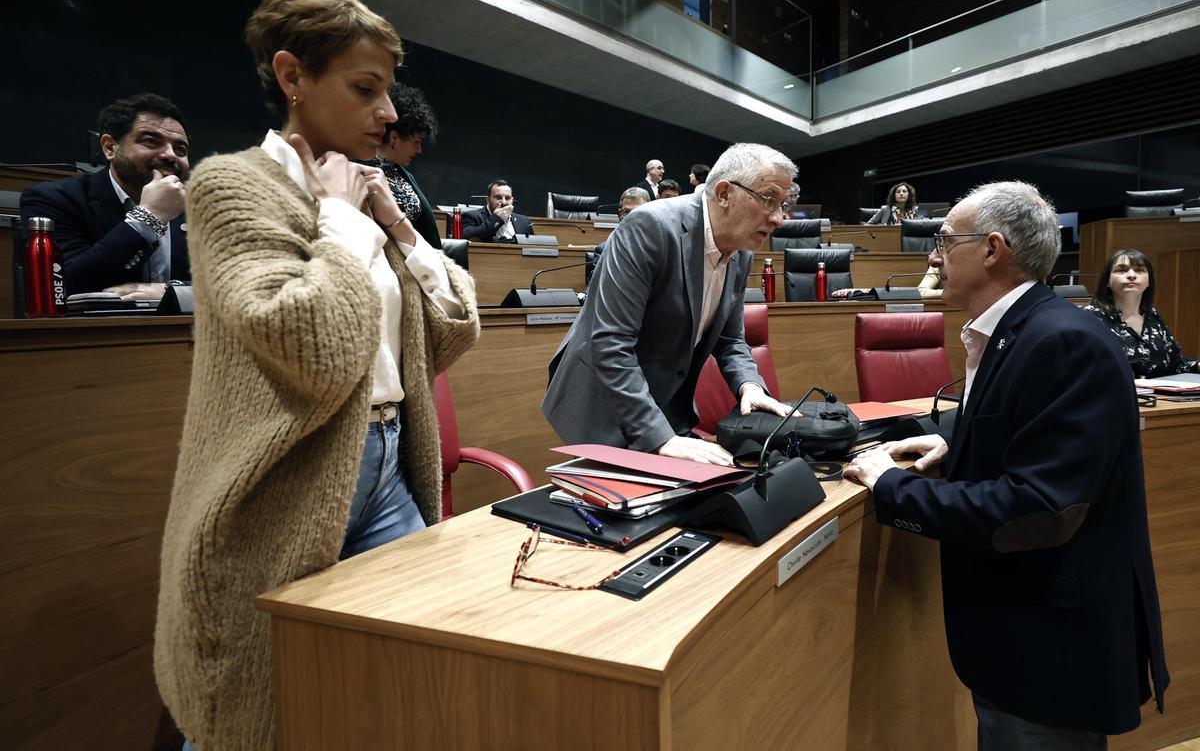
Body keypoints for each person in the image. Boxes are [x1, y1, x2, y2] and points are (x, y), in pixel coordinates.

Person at [153, 0, 480, 751]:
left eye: (388, 90)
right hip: (282, 483)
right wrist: (339, 219)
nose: (390, 112)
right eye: (366, 88)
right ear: (293, 77)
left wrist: (399, 232)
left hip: (389, 463)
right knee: (256, 704)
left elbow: (454, 330)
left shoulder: (368, 197)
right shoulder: (232, 185)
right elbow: (312, 345)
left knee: (388, 687)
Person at [845, 181, 1168, 749]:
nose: (932, 255)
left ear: (992, 250)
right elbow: (1024, 435)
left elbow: (1040, 509)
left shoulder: (1064, 341)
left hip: (1049, 650)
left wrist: (891, 487)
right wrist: (956, 447)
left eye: (945, 239)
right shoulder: (1018, 333)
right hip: (1022, 640)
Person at [543, 142, 794, 465]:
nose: (779, 218)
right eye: (769, 200)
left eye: (783, 204)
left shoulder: (742, 249)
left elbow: (731, 339)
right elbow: (611, 342)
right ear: (723, 194)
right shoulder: (650, 227)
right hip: (603, 402)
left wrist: (750, 385)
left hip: (666, 404)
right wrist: (658, 437)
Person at [19, 93, 191, 296]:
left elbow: (233, 286)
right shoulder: (53, 199)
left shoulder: (200, 208)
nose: (171, 155)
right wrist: (149, 216)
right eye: (151, 142)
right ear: (110, 147)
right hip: (95, 328)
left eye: (180, 149)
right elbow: (62, 288)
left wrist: (169, 291)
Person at [1084, 248, 1199, 378]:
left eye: (1139, 270)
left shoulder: (1152, 315)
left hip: (1160, 396)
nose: (1131, 275)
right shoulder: (1089, 318)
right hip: (1117, 396)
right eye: (1121, 270)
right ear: (1107, 281)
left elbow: (1175, 364)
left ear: (1149, 281)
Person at [362, 82, 442, 246]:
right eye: (416, 141)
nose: (419, 149)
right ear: (395, 138)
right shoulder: (360, 170)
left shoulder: (404, 175)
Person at [460, 179, 534, 242]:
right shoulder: (471, 216)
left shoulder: (524, 221)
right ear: (488, 200)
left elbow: (533, 246)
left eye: (507, 198)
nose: (504, 202)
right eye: (498, 198)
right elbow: (467, 237)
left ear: (512, 200)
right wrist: (496, 219)